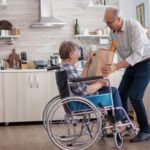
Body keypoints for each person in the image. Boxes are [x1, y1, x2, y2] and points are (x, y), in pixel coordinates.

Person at [102, 6, 150, 143]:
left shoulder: (133, 26)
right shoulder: (113, 32)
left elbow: (138, 54)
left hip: (145, 63)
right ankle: (125, 125)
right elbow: (110, 51)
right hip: (130, 65)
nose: (107, 25)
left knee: (135, 96)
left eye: (109, 22)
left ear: (118, 19)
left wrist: (116, 66)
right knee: (120, 94)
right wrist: (102, 63)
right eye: (105, 22)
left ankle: (146, 130)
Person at [59, 40, 126, 131]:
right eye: (77, 53)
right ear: (71, 55)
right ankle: (118, 123)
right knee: (113, 91)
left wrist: (86, 66)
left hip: (74, 99)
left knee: (106, 89)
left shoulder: (63, 67)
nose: (78, 55)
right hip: (81, 101)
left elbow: (78, 81)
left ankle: (114, 121)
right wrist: (100, 83)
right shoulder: (69, 68)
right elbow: (84, 91)